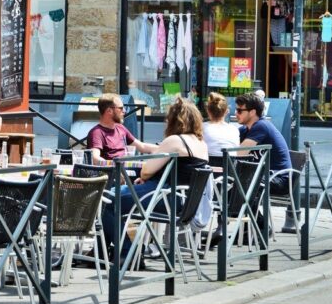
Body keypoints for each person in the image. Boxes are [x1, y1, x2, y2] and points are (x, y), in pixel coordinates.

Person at [102, 98, 210, 262]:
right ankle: (126, 250)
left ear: (174, 120)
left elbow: (146, 171)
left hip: (167, 198)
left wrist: (145, 177)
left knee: (106, 201)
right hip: (186, 202)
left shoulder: (175, 140)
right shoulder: (201, 143)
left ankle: (127, 253)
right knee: (118, 202)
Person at [235, 92, 298, 232]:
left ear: (252, 112)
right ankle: (249, 230)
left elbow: (239, 152)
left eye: (240, 110)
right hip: (265, 176)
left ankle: (260, 229)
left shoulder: (261, 126)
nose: (236, 113)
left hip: (279, 178)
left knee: (244, 185)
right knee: (236, 185)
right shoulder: (246, 130)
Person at [87, 93, 156, 161]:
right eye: (121, 108)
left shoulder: (120, 128)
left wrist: (163, 148)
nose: (124, 111)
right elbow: (94, 158)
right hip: (112, 171)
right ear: (109, 111)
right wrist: (116, 166)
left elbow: (142, 147)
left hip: (127, 169)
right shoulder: (96, 133)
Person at [202, 92, 240, 158]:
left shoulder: (201, 127)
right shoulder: (234, 129)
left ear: (208, 111)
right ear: (227, 111)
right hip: (230, 166)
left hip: (209, 166)